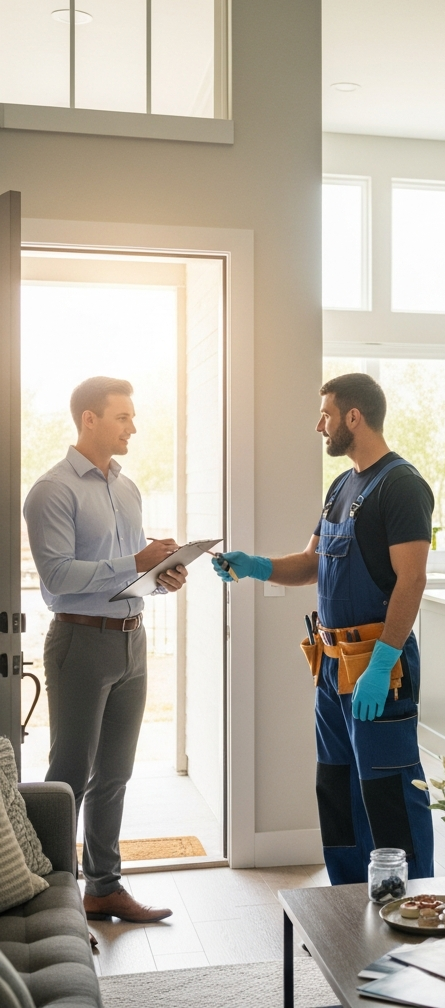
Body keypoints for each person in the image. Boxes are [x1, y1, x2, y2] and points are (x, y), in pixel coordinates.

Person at [212, 373, 435, 885]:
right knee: (337, 790)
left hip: (379, 670)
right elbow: (312, 563)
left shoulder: (401, 485)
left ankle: (412, 907)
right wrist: (255, 566)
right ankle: (347, 906)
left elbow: (413, 579)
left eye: (327, 415)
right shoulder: (341, 485)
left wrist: (382, 663)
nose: (320, 425)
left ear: (353, 417)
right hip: (331, 671)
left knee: (389, 792)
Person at [23, 377, 187, 923]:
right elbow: (59, 578)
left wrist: (160, 576)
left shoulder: (127, 488)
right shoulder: (52, 490)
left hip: (131, 641)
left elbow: (125, 572)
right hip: (79, 642)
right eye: (123, 417)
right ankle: (56, 903)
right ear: (88, 419)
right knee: (69, 775)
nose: (133, 427)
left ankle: (104, 888)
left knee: (115, 774)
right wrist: (136, 563)